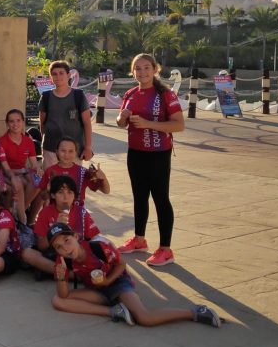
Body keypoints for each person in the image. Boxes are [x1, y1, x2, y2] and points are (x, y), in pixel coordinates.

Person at [47, 223, 221, 328]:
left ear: (76, 236)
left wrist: (107, 281)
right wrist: (61, 277)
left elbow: (121, 264)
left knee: (144, 318)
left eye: (67, 241)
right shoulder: (62, 261)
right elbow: (64, 294)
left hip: (118, 284)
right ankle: (114, 311)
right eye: (58, 247)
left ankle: (195, 312)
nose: (65, 249)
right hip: (97, 290)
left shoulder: (99, 246)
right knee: (58, 300)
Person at [116, 53, 185, 267]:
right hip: (135, 152)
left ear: (155, 69)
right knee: (139, 197)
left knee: (160, 198)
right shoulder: (130, 94)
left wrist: (149, 124)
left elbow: (178, 124)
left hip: (158, 154)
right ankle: (139, 239)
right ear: (132, 71)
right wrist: (122, 117)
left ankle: (166, 249)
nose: (142, 72)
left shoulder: (165, 94)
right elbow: (121, 123)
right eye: (138, 68)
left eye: (146, 67)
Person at [38, 60, 93, 167]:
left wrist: (88, 147)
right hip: (51, 149)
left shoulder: (78, 96)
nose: (58, 76)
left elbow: (87, 123)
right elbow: (42, 124)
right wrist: (44, 145)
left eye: (61, 73)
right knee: (52, 177)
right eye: (54, 74)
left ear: (68, 75)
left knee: (73, 177)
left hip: (74, 150)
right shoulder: (46, 97)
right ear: (51, 78)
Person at [33, 137, 110, 210]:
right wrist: (48, 190)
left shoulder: (83, 172)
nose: (66, 155)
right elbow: (42, 197)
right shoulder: (50, 171)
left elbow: (106, 191)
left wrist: (103, 178)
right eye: (63, 151)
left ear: (76, 152)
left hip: (77, 213)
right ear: (57, 152)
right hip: (56, 213)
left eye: (70, 151)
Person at [34, 175, 102, 256]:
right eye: (60, 192)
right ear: (53, 195)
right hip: (55, 255)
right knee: (28, 254)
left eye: (69, 192)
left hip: (78, 254)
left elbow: (95, 237)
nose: (65, 197)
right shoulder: (45, 213)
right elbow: (41, 246)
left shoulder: (81, 212)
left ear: (74, 196)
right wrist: (56, 227)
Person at [0, 109, 43, 223]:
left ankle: (19, 212)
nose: (15, 124)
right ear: (7, 123)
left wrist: (38, 169)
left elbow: (34, 163)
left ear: (23, 122)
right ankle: (22, 218)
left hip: (23, 172)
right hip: (7, 174)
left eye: (18, 120)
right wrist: (20, 173)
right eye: (11, 121)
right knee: (19, 182)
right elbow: (5, 168)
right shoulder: (2, 141)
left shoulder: (28, 141)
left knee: (39, 181)